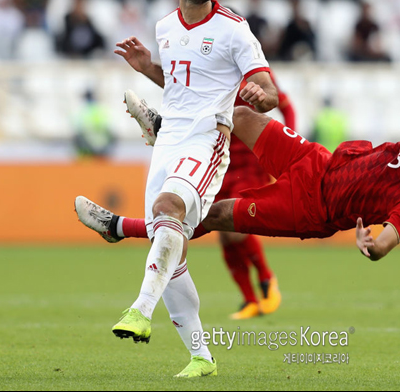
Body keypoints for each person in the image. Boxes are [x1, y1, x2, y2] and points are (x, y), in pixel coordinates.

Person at [76, 24, 400, 300]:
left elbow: (388, 242)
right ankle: (166, 126)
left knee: (212, 214)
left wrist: (371, 245)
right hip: (318, 162)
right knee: (240, 113)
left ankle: (120, 228)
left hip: (310, 208)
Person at [108, 0, 278, 379]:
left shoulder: (234, 29)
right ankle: (202, 357)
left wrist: (262, 96)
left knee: (167, 213)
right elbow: (180, 86)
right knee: (168, 246)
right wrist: (148, 67)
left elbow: (269, 90)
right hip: (167, 141)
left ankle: (140, 309)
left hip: (207, 141)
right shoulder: (166, 26)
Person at [78, 73, 295, 321]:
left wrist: (286, 141)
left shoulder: (251, 75)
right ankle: (249, 299)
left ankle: (267, 279)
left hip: (248, 164)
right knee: (222, 233)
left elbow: (283, 104)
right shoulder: (210, 74)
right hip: (216, 162)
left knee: (234, 228)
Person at [72, 88, 116, 158]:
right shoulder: (101, 109)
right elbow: (110, 129)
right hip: (102, 145)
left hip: (90, 146)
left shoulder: (83, 111)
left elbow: (78, 130)